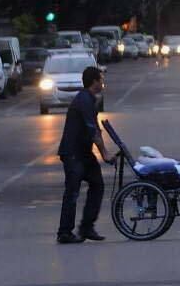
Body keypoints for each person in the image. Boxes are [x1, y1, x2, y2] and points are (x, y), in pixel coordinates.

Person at [57, 65, 114, 244]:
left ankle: (86, 226)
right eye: (100, 79)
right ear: (94, 81)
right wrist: (104, 153)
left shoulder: (89, 99)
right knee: (72, 192)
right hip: (73, 153)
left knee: (97, 184)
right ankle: (65, 232)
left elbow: (95, 127)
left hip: (84, 152)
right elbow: (92, 130)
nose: (102, 82)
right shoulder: (84, 100)